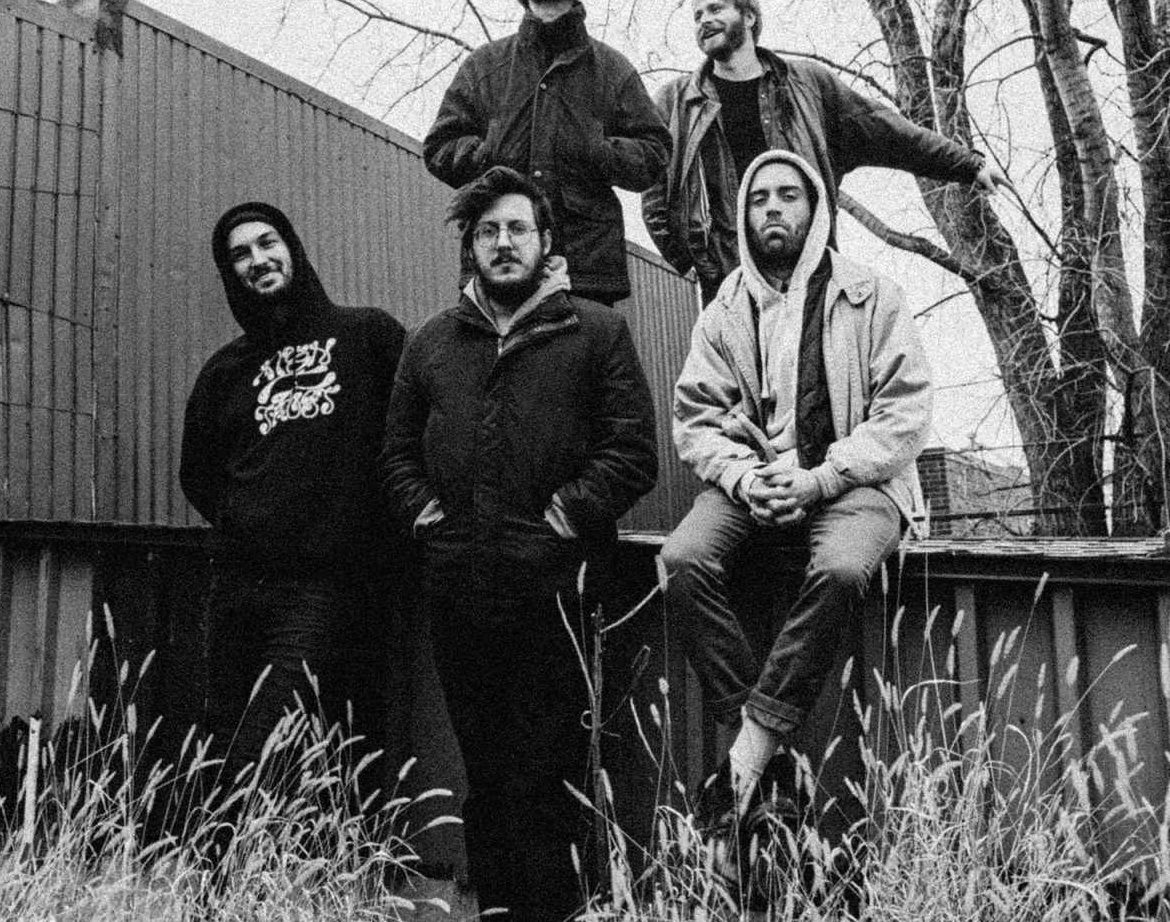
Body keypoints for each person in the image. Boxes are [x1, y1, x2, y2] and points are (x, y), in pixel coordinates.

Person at [382, 166, 659, 922]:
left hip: (556, 593)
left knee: (548, 777)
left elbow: (633, 451)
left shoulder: (594, 331)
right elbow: (397, 453)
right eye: (488, 232)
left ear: (545, 241)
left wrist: (565, 516)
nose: (503, 243)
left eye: (517, 229)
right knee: (488, 779)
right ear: (471, 248)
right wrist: (426, 516)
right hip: (459, 590)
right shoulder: (432, 342)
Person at [661, 150, 932, 857]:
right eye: (759, 199)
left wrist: (821, 478)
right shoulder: (725, 308)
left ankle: (749, 751)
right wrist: (747, 479)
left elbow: (904, 414)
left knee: (840, 570)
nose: (773, 209)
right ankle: (771, 754)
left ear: (815, 210)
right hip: (756, 481)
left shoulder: (872, 294)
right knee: (681, 559)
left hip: (856, 483)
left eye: (789, 196)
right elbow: (695, 419)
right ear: (744, 215)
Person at [179, 202, 405, 810]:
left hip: (323, 587)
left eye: (267, 242)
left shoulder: (368, 337)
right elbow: (196, 475)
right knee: (223, 744)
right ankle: (230, 872)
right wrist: (251, 520)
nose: (257, 260)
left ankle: (250, 862)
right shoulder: (224, 371)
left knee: (261, 751)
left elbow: (413, 441)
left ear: (292, 248)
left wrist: (348, 530)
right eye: (240, 254)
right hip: (237, 587)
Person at [643, 0, 1010, 302]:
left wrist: (968, 164)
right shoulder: (676, 102)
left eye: (715, 9)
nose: (704, 20)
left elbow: (889, 132)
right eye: (697, 16)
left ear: (749, 17)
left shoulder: (807, 84)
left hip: (809, 271)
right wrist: (694, 264)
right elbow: (654, 193)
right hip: (729, 282)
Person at [424, 0, 671, 305]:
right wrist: (490, 152)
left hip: (584, 268)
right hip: (499, 264)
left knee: (587, 346)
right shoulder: (485, 67)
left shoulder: (612, 69)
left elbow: (655, 151)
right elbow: (440, 146)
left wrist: (601, 152)